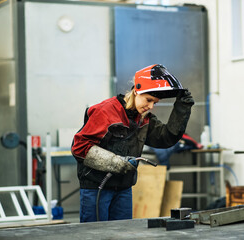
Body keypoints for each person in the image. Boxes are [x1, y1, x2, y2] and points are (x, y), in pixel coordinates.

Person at [71, 64, 194, 222]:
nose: (150, 106)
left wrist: (182, 108)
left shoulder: (143, 119)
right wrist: (115, 162)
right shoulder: (106, 112)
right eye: (148, 100)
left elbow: (165, 138)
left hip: (123, 188)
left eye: (154, 103)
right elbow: (79, 147)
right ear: (136, 91)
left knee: (124, 234)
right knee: (96, 235)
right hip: (96, 188)